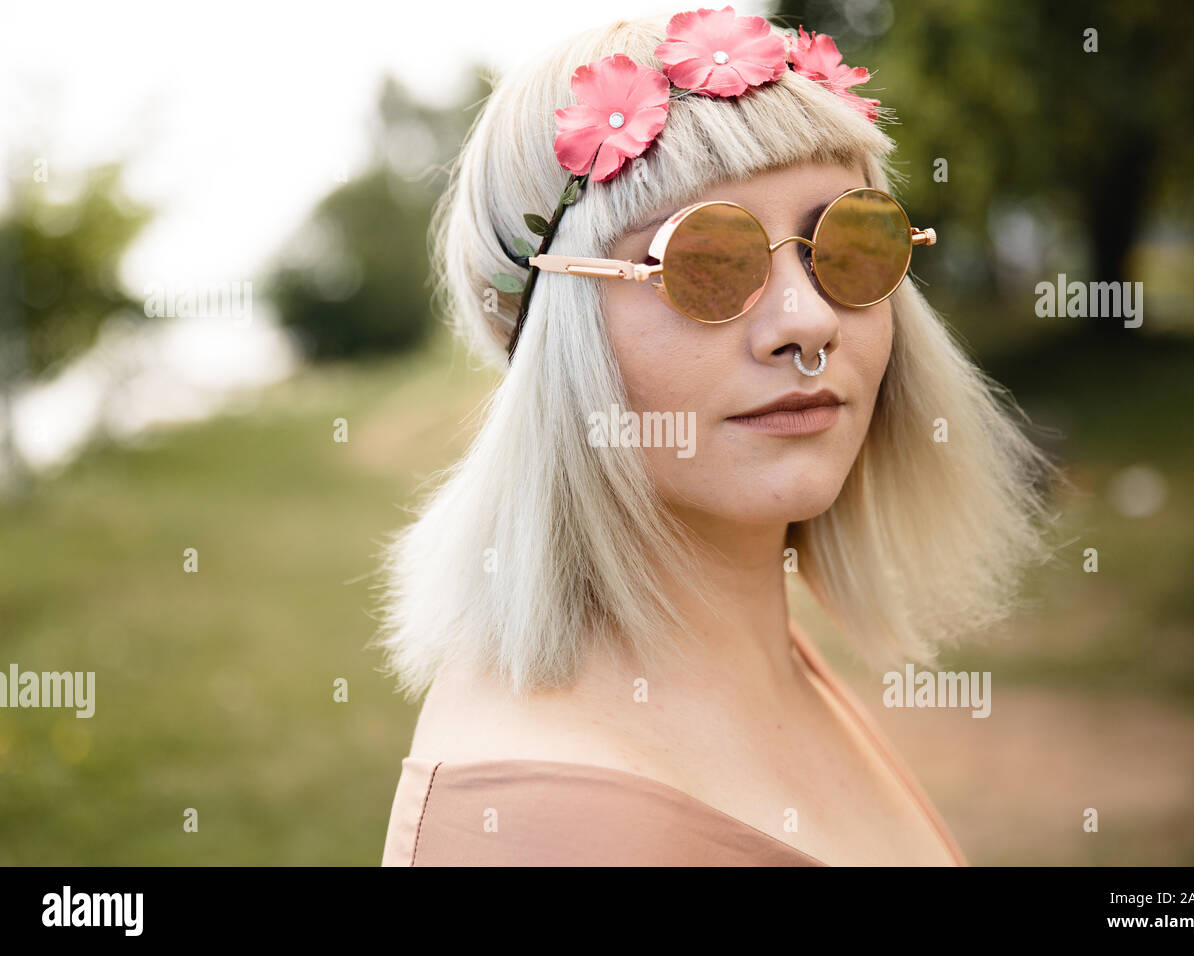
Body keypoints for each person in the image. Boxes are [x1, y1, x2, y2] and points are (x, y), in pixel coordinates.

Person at [376, 6, 1058, 866]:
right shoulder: (536, 833)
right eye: (706, 260)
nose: (808, 322)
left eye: (850, 240)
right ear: (557, 339)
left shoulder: (758, 660)